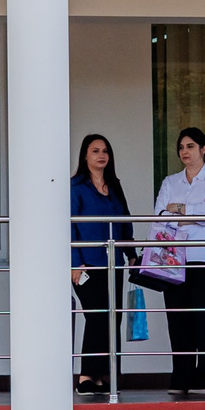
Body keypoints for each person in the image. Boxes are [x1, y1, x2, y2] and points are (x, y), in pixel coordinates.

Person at [152, 128, 205, 400]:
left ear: (203, 149)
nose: (184, 151)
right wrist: (189, 216)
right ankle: (182, 377)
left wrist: (182, 210)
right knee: (178, 321)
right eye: (181, 147)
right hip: (175, 258)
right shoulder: (171, 181)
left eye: (190, 146)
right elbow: (160, 216)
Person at [69, 134, 132, 395]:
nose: (101, 155)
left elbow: (125, 222)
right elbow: (68, 226)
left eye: (105, 150)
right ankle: (85, 375)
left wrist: (133, 255)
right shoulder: (76, 187)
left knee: (112, 319)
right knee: (95, 317)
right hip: (87, 264)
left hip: (114, 263)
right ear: (85, 155)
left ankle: (104, 374)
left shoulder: (114, 186)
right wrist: (73, 264)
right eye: (95, 151)